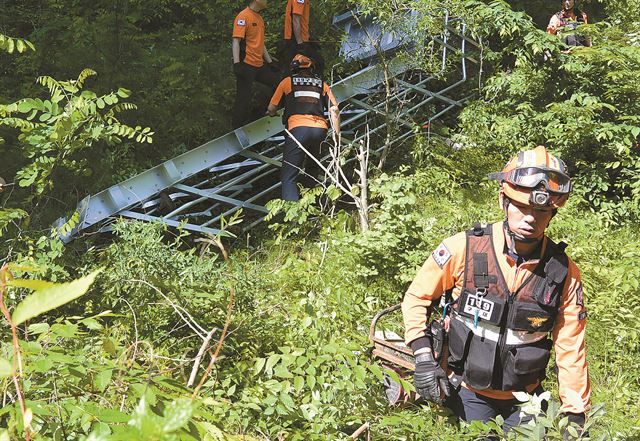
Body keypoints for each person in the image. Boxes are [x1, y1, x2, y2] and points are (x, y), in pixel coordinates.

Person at [402, 146, 590, 438]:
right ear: (504, 201)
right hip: (467, 391)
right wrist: (423, 356)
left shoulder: (562, 272)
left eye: (542, 210)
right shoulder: (463, 248)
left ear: (553, 213)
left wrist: (575, 413)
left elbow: (571, 347)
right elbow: (417, 298)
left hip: (527, 397)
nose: (531, 218)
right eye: (522, 207)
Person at [266, 54, 340, 201]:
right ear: (311, 68)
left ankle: (293, 217)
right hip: (320, 130)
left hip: (298, 130)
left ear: (293, 69)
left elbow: (271, 108)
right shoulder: (322, 84)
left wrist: (272, 113)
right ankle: (312, 207)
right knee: (312, 169)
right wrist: (336, 136)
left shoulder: (287, 82)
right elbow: (335, 110)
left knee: (289, 176)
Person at [232, 0, 280, 127]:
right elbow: (236, 41)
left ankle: (268, 111)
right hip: (246, 64)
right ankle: (237, 129)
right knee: (243, 98)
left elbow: (260, 42)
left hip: (259, 64)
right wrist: (236, 64)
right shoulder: (243, 16)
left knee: (278, 84)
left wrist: (270, 62)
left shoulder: (259, 18)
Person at [282, 0, 324, 76]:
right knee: (317, 63)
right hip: (296, 40)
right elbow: (296, 20)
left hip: (300, 38)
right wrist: (300, 43)